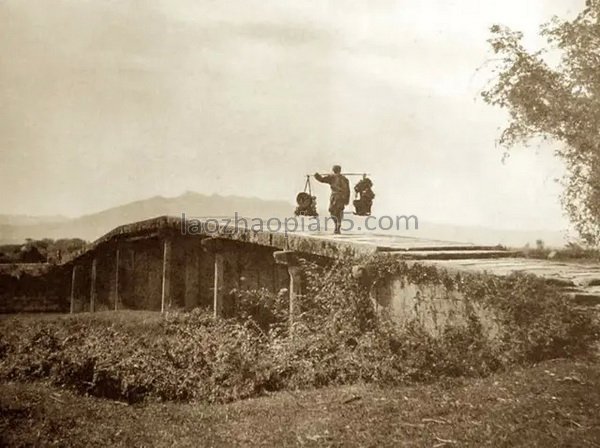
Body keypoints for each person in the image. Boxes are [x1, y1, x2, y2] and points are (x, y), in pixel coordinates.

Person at [314, 165, 350, 234]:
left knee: (332, 211)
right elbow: (348, 191)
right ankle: (338, 226)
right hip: (341, 197)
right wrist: (346, 200)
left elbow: (322, 179)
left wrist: (316, 175)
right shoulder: (344, 179)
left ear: (334, 170)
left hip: (335, 197)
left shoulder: (332, 177)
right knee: (339, 212)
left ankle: (337, 225)